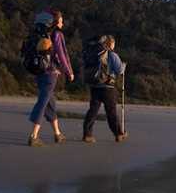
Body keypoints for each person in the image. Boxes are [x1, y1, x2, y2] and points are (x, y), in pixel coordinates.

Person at [28, 9, 74, 147]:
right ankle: (33, 136)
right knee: (43, 102)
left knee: (50, 103)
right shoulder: (57, 34)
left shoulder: (40, 33)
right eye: (60, 21)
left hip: (39, 71)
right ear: (54, 22)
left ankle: (57, 134)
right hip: (51, 73)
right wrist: (69, 71)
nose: (62, 23)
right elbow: (62, 54)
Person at [82, 34, 127, 144]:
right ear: (110, 43)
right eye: (113, 43)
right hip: (108, 87)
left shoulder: (95, 53)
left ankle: (87, 135)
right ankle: (119, 134)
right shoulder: (112, 54)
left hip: (95, 86)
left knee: (93, 111)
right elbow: (119, 71)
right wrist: (124, 65)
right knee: (111, 112)